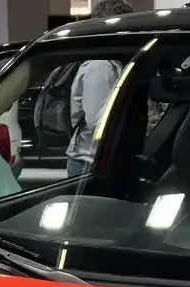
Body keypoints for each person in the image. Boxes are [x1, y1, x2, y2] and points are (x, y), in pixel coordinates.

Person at [65, 0, 134, 177]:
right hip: (89, 163)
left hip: (95, 160)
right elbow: (100, 124)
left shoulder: (110, 63)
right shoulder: (101, 67)